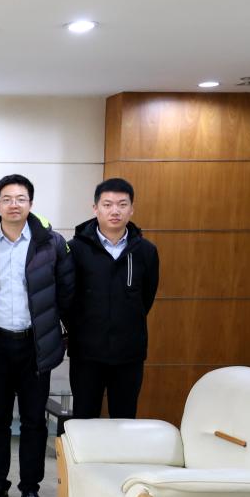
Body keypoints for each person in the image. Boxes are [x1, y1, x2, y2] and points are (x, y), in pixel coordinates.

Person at [0, 174, 74, 497]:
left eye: (20, 198)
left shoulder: (51, 243)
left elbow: (67, 293)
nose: (14, 205)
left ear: (30, 203)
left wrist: (62, 335)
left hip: (35, 345)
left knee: (33, 420)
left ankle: (30, 487)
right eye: (7, 199)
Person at [66, 177, 159, 420]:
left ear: (132, 209)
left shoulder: (146, 251)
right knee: (85, 418)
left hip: (129, 353)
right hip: (86, 353)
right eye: (107, 204)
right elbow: (66, 299)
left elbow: (146, 298)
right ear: (95, 208)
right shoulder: (74, 249)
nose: (115, 211)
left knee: (124, 419)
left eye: (122, 204)